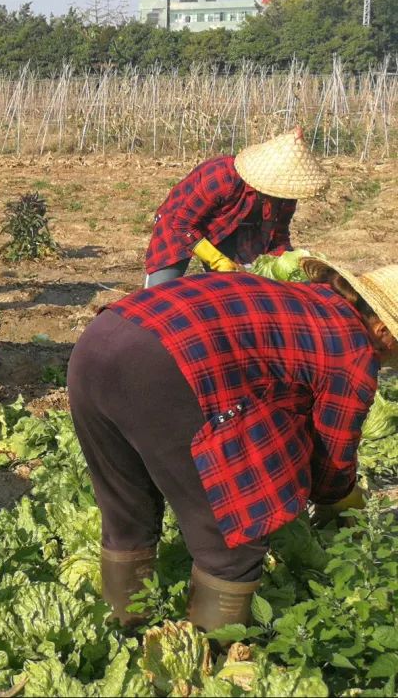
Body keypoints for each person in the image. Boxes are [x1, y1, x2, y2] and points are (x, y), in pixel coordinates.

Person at [68, 260, 398, 631]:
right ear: (383, 330)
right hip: (167, 368)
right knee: (234, 537)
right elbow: (332, 461)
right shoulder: (353, 349)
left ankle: (122, 629)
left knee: (126, 511)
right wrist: (344, 500)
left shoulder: (312, 300)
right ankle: (213, 655)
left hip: (100, 341)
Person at [144, 127, 328, 288]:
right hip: (180, 224)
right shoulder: (222, 177)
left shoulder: (287, 192)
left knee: (240, 286)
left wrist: (288, 264)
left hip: (231, 227)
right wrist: (215, 259)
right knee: (160, 291)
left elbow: (278, 235)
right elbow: (183, 223)